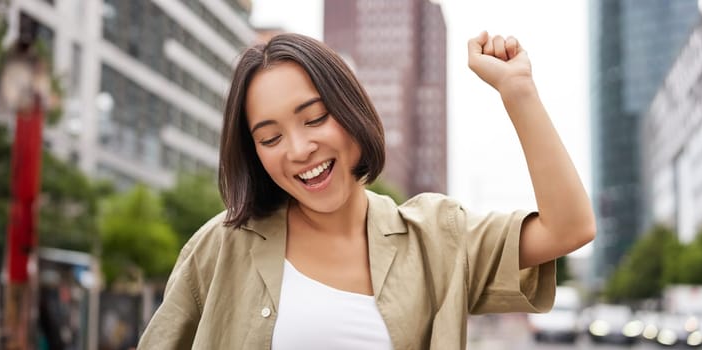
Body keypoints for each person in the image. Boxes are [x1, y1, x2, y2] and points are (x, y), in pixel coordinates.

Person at [137, 31, 595, 349]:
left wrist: (517, 90)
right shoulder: (219, 247)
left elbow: (569, 228)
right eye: (270, 137)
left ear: (350, 110)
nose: (299, 149)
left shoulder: (437, 238)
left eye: (314, 118)